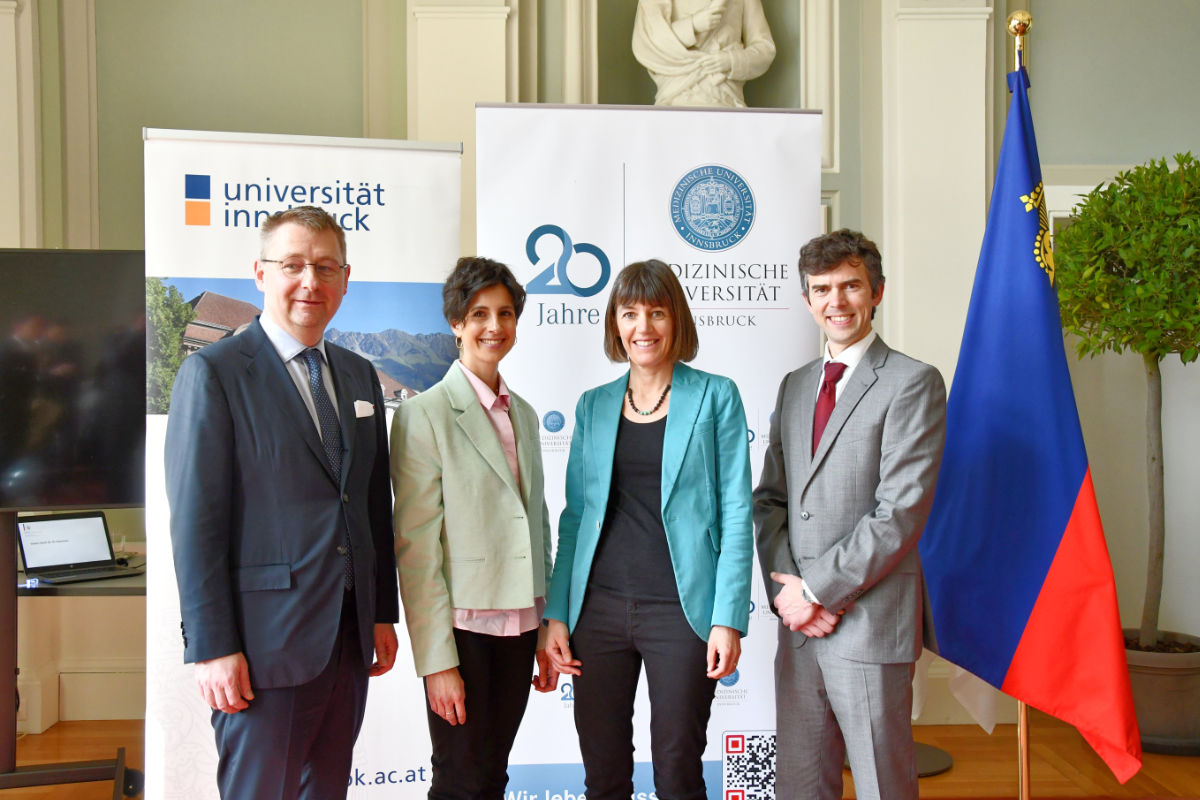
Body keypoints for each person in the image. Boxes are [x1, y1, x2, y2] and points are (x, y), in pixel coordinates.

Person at [165, 205, 399, 799]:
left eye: (325, 267)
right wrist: (212, 645)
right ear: (260, 273)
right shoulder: (213, 374)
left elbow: (373, 503)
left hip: (347, 640)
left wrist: (380, 612)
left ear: (346, 278)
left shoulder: (359, 376)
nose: (310, 282)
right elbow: (197, 523)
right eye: (292, 265)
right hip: (262, 647)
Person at [544, 259, 753, 800]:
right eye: (630, 313)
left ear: (675, 319)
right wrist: (559, 613)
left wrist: (728, 618)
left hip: (681, 612)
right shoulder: (593, 406)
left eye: (657, 313)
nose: (644, 327)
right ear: (616, 323)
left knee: (678, 772)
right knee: (604, 772)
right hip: (599, 611)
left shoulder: (715, 396)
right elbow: (574, 518)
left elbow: (736, 511)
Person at [753, 229, 947, 800]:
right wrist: (793, 596)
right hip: (799, 628)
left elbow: (900, 512)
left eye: (850, 286)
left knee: (882, 783)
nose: (836, 301)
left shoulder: (913, 382)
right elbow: (771, 500)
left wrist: (815, 590)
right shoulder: (794, 388)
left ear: (876, 292)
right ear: (808, 300)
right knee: (800, 783)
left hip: (870, 622)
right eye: (822, 289)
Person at [391, 256, 557, 800]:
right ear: (456, 323)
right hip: (462, 631)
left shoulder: (525, 414)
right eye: (479, 313)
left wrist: (546, 623)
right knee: (460, 778)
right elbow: (416, 549)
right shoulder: (425, 414)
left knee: (492, 775)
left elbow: (537, 525)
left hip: (520, 627)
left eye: (506, 313)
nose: (494, 326)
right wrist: (437, 662)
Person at [633, 0, 776, 108]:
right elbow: (649, 44)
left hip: (724, 101)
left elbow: (764, 49)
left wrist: (731, 61)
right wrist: (693, 24)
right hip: (675, 101)